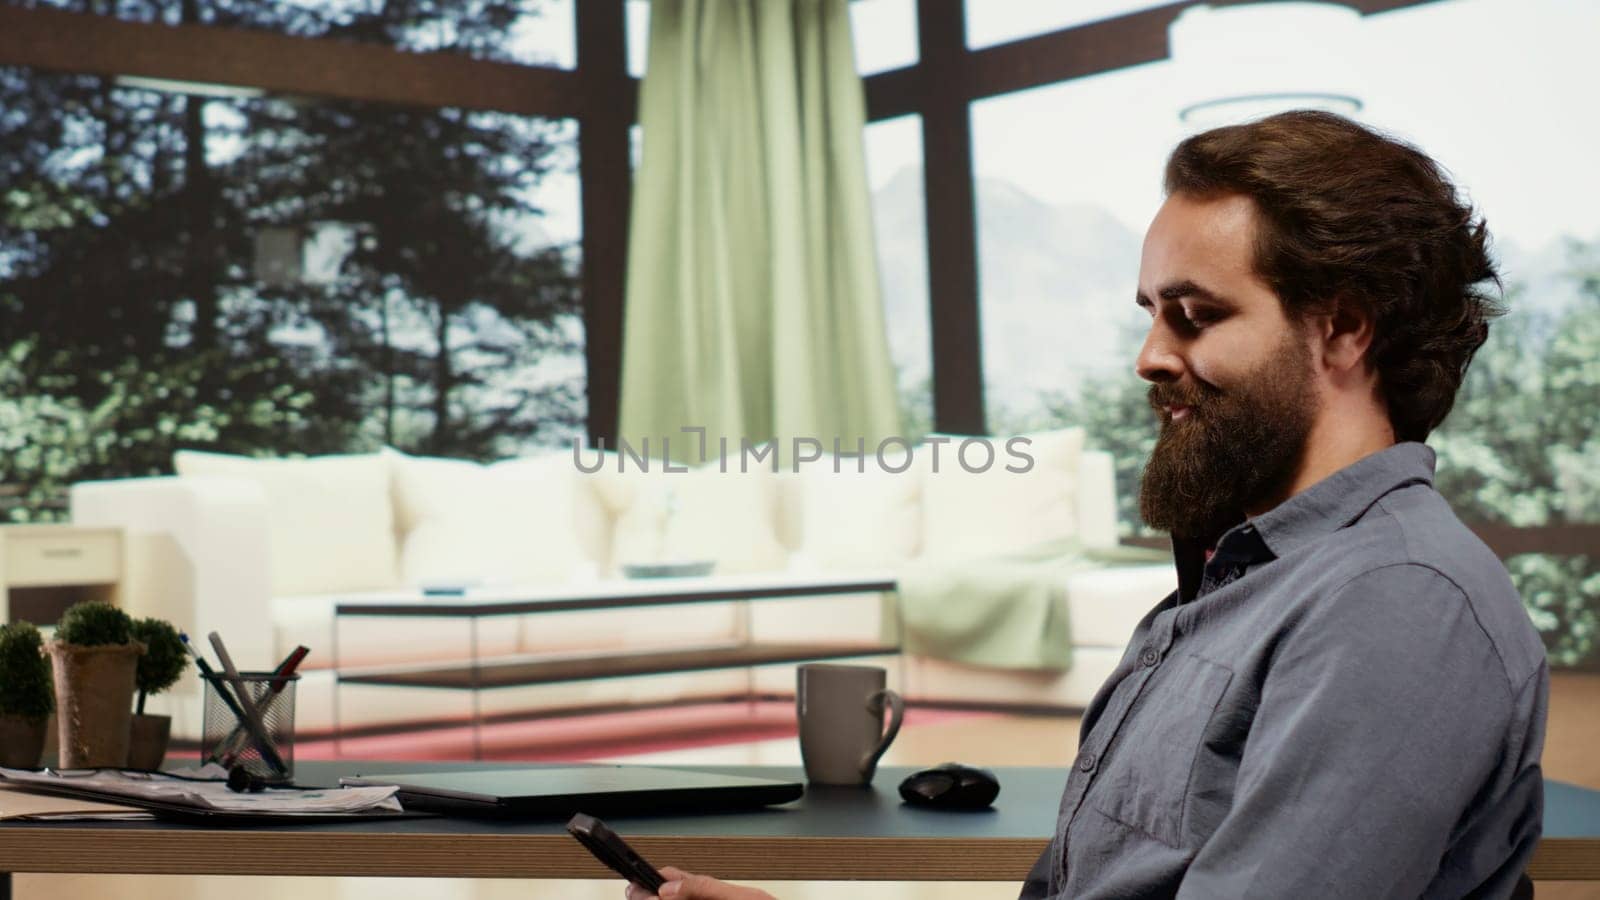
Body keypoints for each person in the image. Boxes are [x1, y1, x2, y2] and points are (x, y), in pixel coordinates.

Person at [625, 110, 1548, 900]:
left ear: (1344, 328)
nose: (1147, 355)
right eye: (1149, 312)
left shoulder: (1395, 605)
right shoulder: (1239, 587)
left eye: (1193, 315)